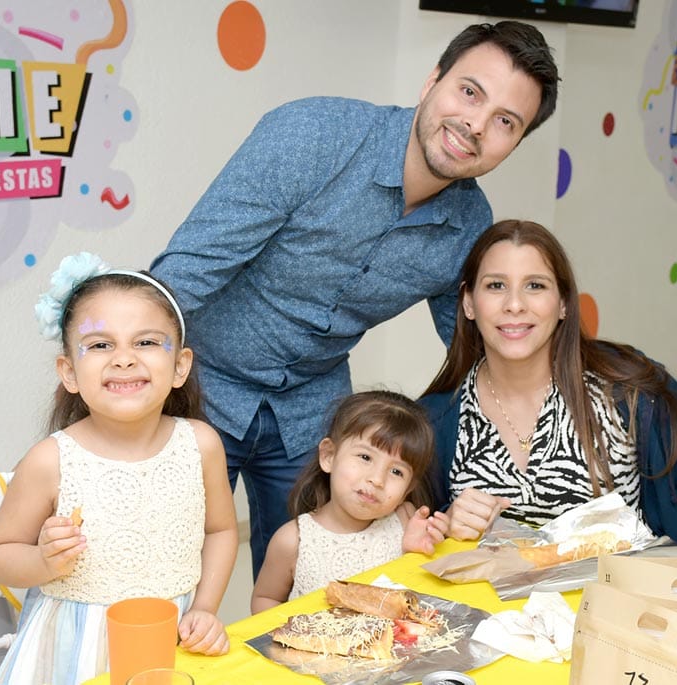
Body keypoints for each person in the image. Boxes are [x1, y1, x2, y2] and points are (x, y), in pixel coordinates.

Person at [150, 20, 560, 579]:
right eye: (469, 92)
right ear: (432, 81)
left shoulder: (469, 225)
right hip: (203, 383)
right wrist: (122, 386)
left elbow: (474, 352)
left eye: (505, 121)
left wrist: (554, 412)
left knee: (317, 580)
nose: (475, 125)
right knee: (166, 571)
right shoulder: (311, 135)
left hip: (312, 408)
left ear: (515, 143)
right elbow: (188, 271)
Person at [419, 220, 677, 579]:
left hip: (625, 604)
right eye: (496, 286)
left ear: (564, 304)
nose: (515, 304)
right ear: (469, 303)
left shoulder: (631, 388)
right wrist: (444, 523)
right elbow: (405, 535)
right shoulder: (435, 421)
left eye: (535, 285)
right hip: (491, 612)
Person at [0, 253, 240, 685]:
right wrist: (43, 561)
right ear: (69, 372)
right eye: (101, 345)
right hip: (71, 656)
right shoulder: (50, 460)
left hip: (168, 645)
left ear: (180, 366)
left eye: (146, 342)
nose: (123, 359)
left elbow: (221, 531)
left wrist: (205, 608)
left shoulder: (201, 445)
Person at [250, 390, 450, 613]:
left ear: (407, 489)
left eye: (396, 471)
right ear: (329, 456)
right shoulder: (292, 540)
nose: (377, 479)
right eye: (365, 457)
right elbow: (266, 598)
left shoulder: (405, 520)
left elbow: (414, 597)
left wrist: (415, 555)